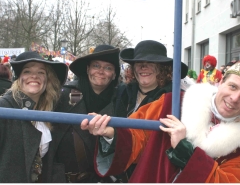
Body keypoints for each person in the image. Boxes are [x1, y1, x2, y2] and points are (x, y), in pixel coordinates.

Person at [81, 60, 240, 183]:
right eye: (232, 87)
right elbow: (138, 133)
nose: (235, 98)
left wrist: (186, 153)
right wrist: (112, 133)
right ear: (221, 83)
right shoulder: (174, 102)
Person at [81, 40, 188, 181]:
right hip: (118, 176)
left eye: (151, 63)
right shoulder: (121, 92)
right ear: (133, 68)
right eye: (139, 63)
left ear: (163, 68)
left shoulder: (174, 100)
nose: (144, 67)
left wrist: (114, 134)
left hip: (152, 175)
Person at [42, 44, 121, 183]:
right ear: (87, 69)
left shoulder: (121, 100)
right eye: (96, 66)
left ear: (114, 74)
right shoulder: (64, 95)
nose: (101, 71)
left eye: (108, 68)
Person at [0, 51, 68, 183]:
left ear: (47, 80)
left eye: (41, 72)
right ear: (18, 78)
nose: (34, 76)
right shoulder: (4, 108)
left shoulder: (48, 112)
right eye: (27, 71)